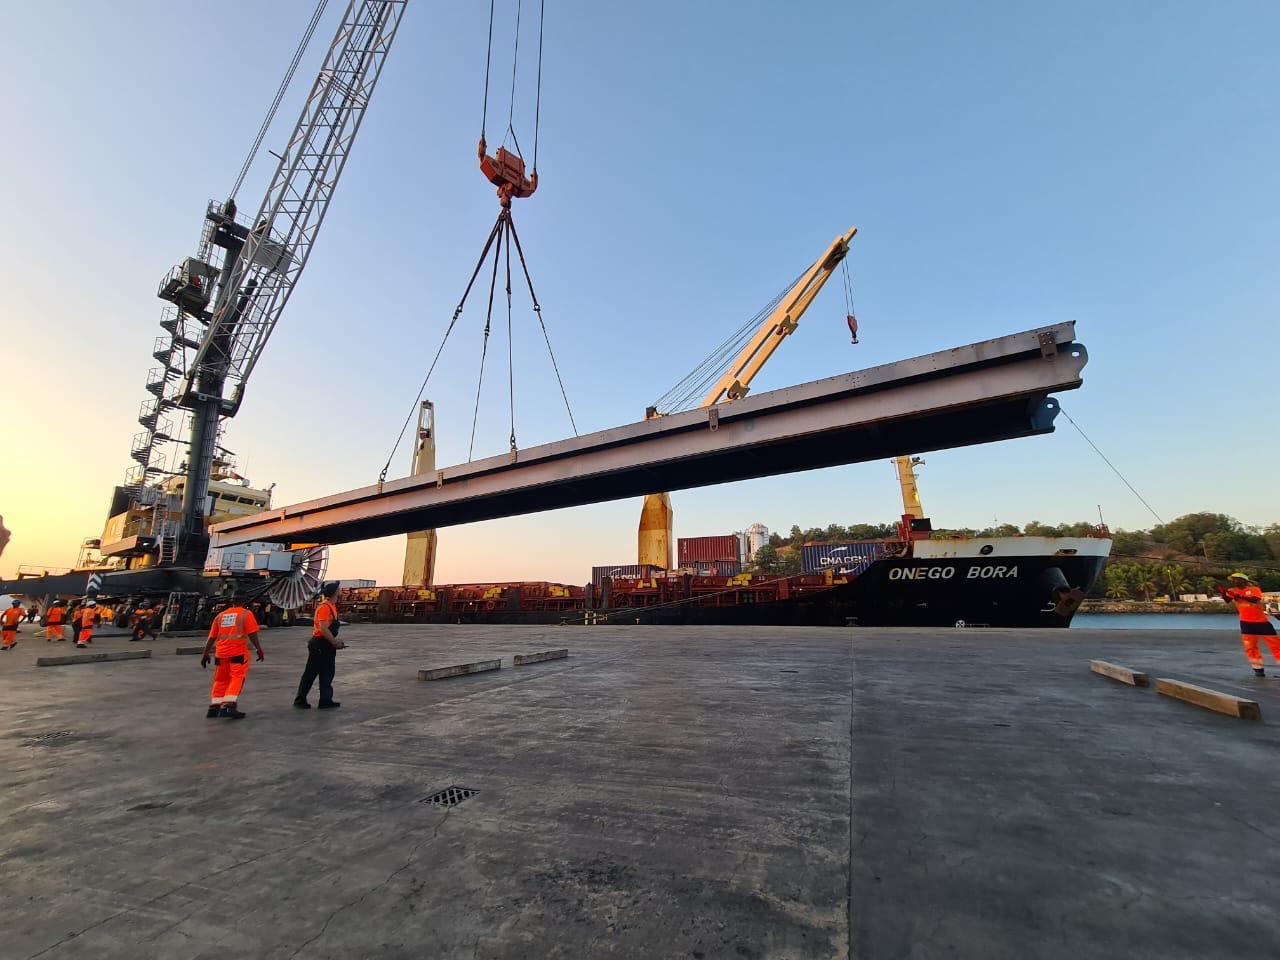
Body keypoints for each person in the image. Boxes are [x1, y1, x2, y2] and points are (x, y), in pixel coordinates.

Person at [200, 597, 265, 720]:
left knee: (220, 680)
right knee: (237, 677)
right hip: (237, 653)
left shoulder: (220, 616)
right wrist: (258, 649)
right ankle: (228, 705)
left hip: (221, 654)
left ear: (232, 601)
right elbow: (252, 634)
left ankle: (214, 707)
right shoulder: (246, 614)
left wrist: (206, 653)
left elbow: (212, 637)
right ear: (244, 601)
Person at [294, 582, 344, 710]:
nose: (340, 590)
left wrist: (335, 642)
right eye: (338, 589)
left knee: (328, 673)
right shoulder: (324, 607)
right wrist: (334, 642)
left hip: (326, 644)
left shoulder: (332, 606)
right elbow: (323, 628)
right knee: (311, 673)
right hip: (319, 644)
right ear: (334, 592)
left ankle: (326, 700)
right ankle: (300, 700)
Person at [1221, 572, 1279, 677]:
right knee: (1250, 647)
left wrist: (1239, 595)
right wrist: (1224, 593)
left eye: (1236, 579)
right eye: (1232, 579)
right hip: (1246, 622)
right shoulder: (1232, 590)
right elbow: (1228, 600)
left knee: (1275, 645)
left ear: (1243, 580)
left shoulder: (1254, 589)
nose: (1233, 581)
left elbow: (1255, 599)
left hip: (1262, 622)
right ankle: (1258, 669)